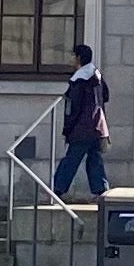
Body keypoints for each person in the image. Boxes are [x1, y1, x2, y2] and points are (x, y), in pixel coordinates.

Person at [53, 42, 111, 199]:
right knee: (94, 159)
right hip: (98, 125)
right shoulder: (96, 75)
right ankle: (101, 192)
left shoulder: (79, 80)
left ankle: (57, 189)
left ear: (78, 58)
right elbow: (105, 95)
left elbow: (73, 108)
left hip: (82, 127)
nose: (71, 59)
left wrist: (68, 129)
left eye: (73, 55)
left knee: (71, 159)